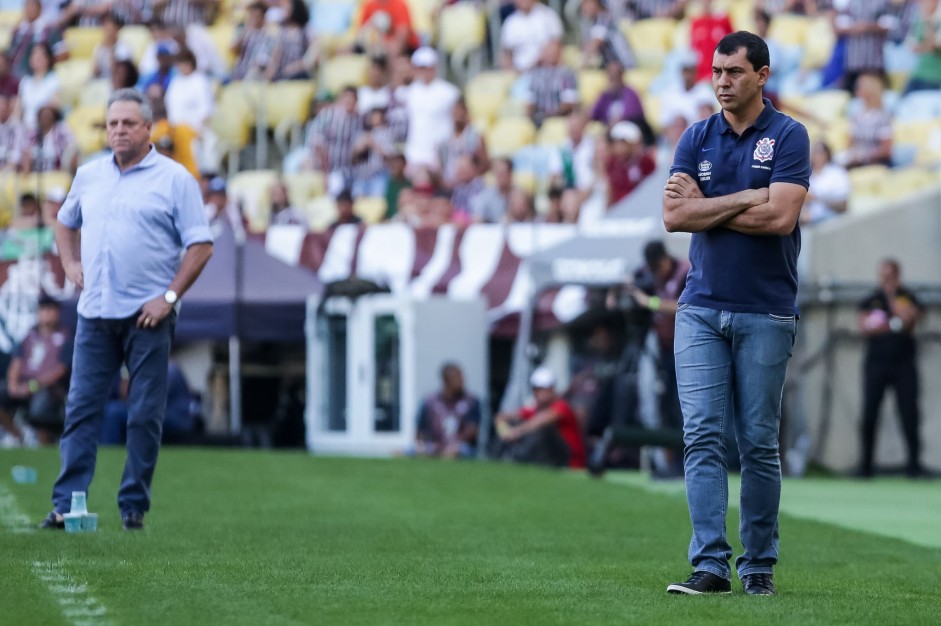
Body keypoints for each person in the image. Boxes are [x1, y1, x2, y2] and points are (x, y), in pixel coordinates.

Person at [662, 31, 811, 596]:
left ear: (762, 76)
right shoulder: (695, 136)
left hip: (766, 310)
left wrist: (707, 205)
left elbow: (780, 220)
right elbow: (674, 219)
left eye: (734, 72)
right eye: (717, 72)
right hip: (700, 309)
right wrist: (748, 195)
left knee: (756, 442)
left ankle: (758, 568)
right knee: (701, 436)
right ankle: (710, 565)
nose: (722, 82)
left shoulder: (790, 136)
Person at [41, 88, 213, 531]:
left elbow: (201, 245)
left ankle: (132, 506)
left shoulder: (175, 179)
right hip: (95, 311)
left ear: (148, 128)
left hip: (147, 316)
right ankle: (66, 504)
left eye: (128, 123)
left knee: (144, 413)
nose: (118, 131)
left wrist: (170, 297)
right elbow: (64, 221)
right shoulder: (90, 174)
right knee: (80, 409)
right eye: (112, 123)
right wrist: (70, 262)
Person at [856, 259, 926, 479]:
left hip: (904, 364)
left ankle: (914, 466)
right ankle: (866, 466)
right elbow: (866, 326)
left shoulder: (907, 297)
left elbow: (912, 320)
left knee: (909, 414)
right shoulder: (871, 299)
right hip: (876, 364)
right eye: (884, 277)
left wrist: (895, 316)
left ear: (897, 277)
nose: (887, 281)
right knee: (870, 414)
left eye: (891, 277)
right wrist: (893, 322)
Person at [0, 296, 72, 446]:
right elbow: (16, 363)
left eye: (51, 310)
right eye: (43, 310)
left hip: (49, 390)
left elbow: (61, 370)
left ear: (57, 313)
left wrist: (33, 386)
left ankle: (42, 441)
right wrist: (13, 384)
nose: (47, 314)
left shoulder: (65, 337)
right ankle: (18, 435)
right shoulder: (29, 336)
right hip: (24, 385)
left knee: (41, 406)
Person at [496, 366, 586, 469]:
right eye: (536, 389)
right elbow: (506, 416)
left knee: (541, 429)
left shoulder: (562, 406)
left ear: (552, 389)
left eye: (543, 389)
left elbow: (540, 421)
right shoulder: (537, 408)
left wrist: (514, 433)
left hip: (570, 462)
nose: (539, 394)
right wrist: (502, 427)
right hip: (554, 458)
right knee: (517, 423)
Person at [414, 362, 481, 458]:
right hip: (434, 444)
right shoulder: (429, 402)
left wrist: (451, 443)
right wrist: (429, 445)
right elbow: (419, 432)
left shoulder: (471, 401)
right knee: (406, 451)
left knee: (456, 451)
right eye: (458, 377)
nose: (462, 381)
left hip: (459, 446)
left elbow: (472, 431)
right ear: (446, 381)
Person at [801, 141, 849, 225]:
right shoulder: (806, 175)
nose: (816, 156)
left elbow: (844, 205)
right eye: (813, 152)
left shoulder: (837, 173)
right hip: (807, 221)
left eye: (819, 151)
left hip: (831, 220)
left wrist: (816, 198)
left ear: (827, 154)